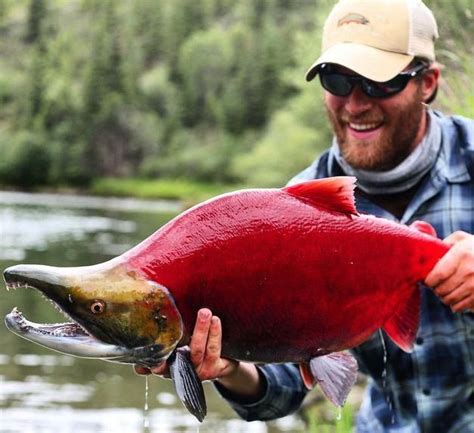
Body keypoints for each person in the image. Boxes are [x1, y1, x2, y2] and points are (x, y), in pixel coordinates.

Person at [135, 0, 474, 431]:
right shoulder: (295, 210)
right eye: (337, 80)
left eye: (377, 83)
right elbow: (283, 387)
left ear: (428, 83)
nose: (354, 104)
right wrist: (230, 368)